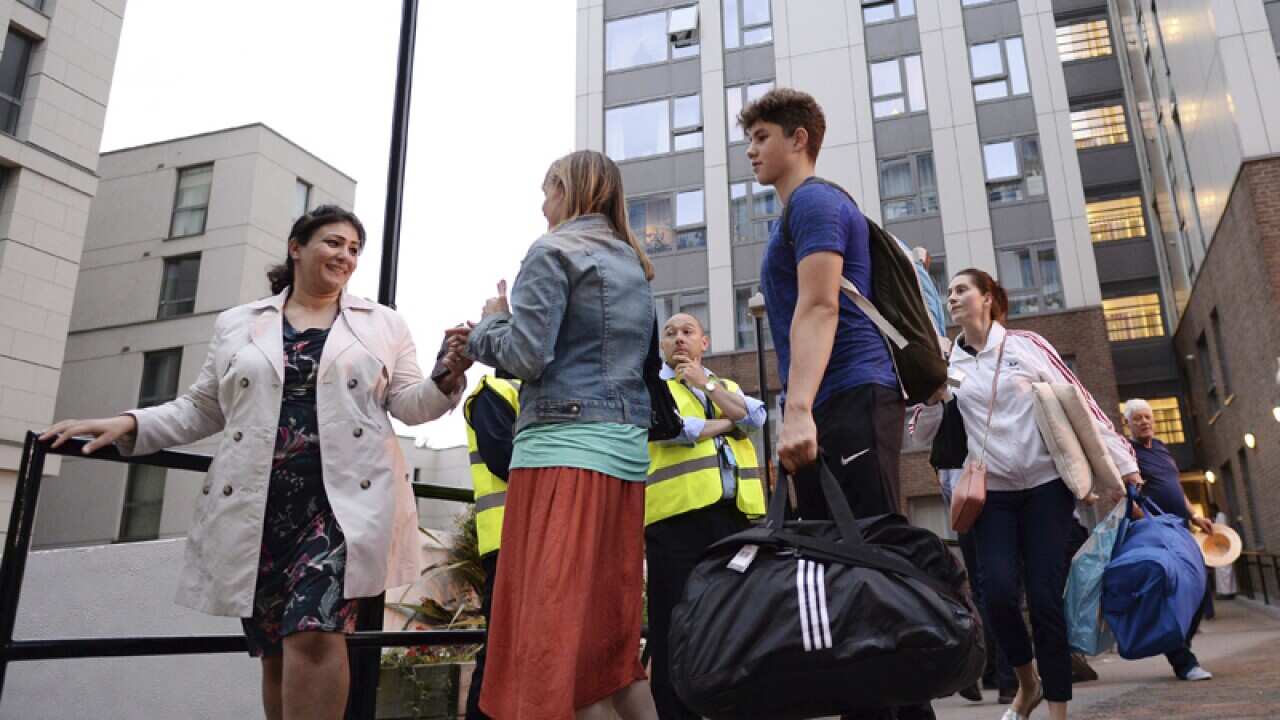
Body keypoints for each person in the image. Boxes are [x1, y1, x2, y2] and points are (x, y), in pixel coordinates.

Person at [41, 205, 470, 720]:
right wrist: (127, 424)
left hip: (341, 507)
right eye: (334, 243)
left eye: (354, 249)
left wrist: (447, 374)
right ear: (297, 247)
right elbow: (202, 407)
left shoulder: (382, 324)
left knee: (314, 633)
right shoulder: (239, 323)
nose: (346, 256)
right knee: (274, 649)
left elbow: (408, 404)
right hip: (257, 504)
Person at [739, 87, 927, 720]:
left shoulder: (816, 202)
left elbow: (821, 306)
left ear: (799, 139)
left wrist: (796, 411)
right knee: (851, 571)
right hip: (834, 400)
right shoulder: (801, 211)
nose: (751, 150)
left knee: (868, 569)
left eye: (762, 136)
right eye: (750, 139)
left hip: (847, 395)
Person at [456, 150, 659, 720]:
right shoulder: (634, 265)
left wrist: (492, 321)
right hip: (622, 457)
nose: (542, 205)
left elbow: (526, 354)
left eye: (546, 191)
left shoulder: (552, 251)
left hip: (559, 453)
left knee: (547, 641)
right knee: (607, 650)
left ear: (567, 190)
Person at [926, 268, 1142, 720]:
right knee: (999, 594)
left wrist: (1124, 464)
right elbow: (927, 428)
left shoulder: (1027, 346)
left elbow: (1080, 401)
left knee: (1045, 599)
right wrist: (931, 397)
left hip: (1047, 488)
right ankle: (1028, 683)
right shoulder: (950, 364)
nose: (952, 298)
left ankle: (1058, 711)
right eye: (948, 292)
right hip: (993, 494)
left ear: (988, 298)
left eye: (962, 289)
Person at [645, 312, 768, 719]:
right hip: (675, 522)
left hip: (734, 522)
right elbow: (677, 429)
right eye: (670, 333)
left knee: (735, 619)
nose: (678, 339)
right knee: (673, 626)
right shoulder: (651, 384)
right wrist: (730, 421)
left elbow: (756, 417)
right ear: (661, 344)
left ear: (704, 342)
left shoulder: (723, 384)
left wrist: (706, 385)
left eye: (687, 332)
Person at [1123, 398, 1215, 682]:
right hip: (1157, 532)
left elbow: (1176, 488)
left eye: (1148, 417)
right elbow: (1123, 491)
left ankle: (1181, 646)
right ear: (1128, 424)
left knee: (1200, 587)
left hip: (1180, 528)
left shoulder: (1162, 449)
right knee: (1170, 591)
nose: (1144, 422)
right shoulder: (1127, 452)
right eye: (1137, 418)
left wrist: (1194, 515)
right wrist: (1146, 521)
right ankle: (1183, 662)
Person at [462, 371, 522, 720]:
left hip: (525, 535)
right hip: (507, 537)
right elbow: (504, 458)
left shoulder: (529, 392)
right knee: (504, 647)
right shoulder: (496, 390)